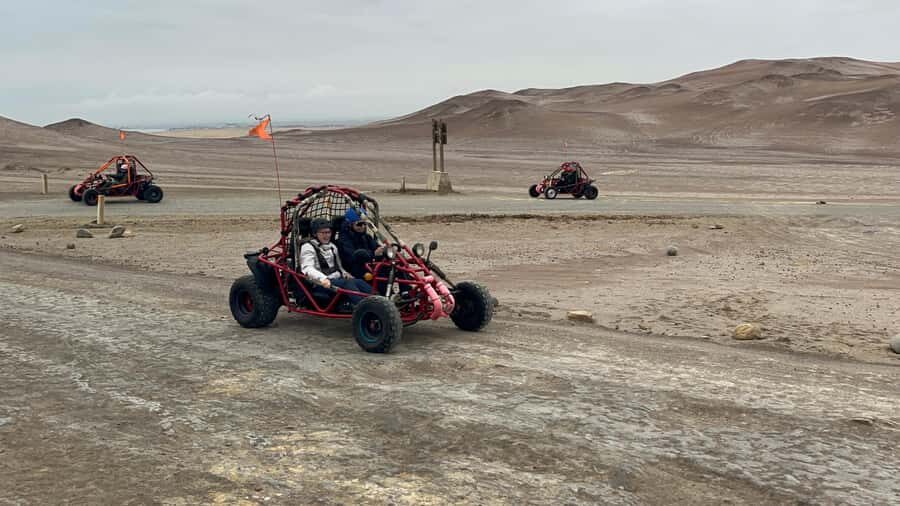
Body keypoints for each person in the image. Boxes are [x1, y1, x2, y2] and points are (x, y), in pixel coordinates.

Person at [299, 217, 371, 309]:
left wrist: (345, 273)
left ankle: (378, 300)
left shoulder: (332, 246)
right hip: (319, 283)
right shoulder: (308, 247)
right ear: (315, 233)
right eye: (323, 233)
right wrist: (323, 279)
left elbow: (339, 266)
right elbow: (307, 268)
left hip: (335, 280)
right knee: (348, 284)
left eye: (328, 232)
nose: (326, 235)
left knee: (358, 281)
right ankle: (364, 308)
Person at [337, 207, 385, 279]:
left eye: (364, 223)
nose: (363, 226)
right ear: (350, 224)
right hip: (354, 270)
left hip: (368, 265)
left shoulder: (365, 236)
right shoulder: (343, 240)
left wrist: (384, 249)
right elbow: (353, 256)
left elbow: (376, 247)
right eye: (359, 224)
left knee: (394, 266)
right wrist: (373, 254)